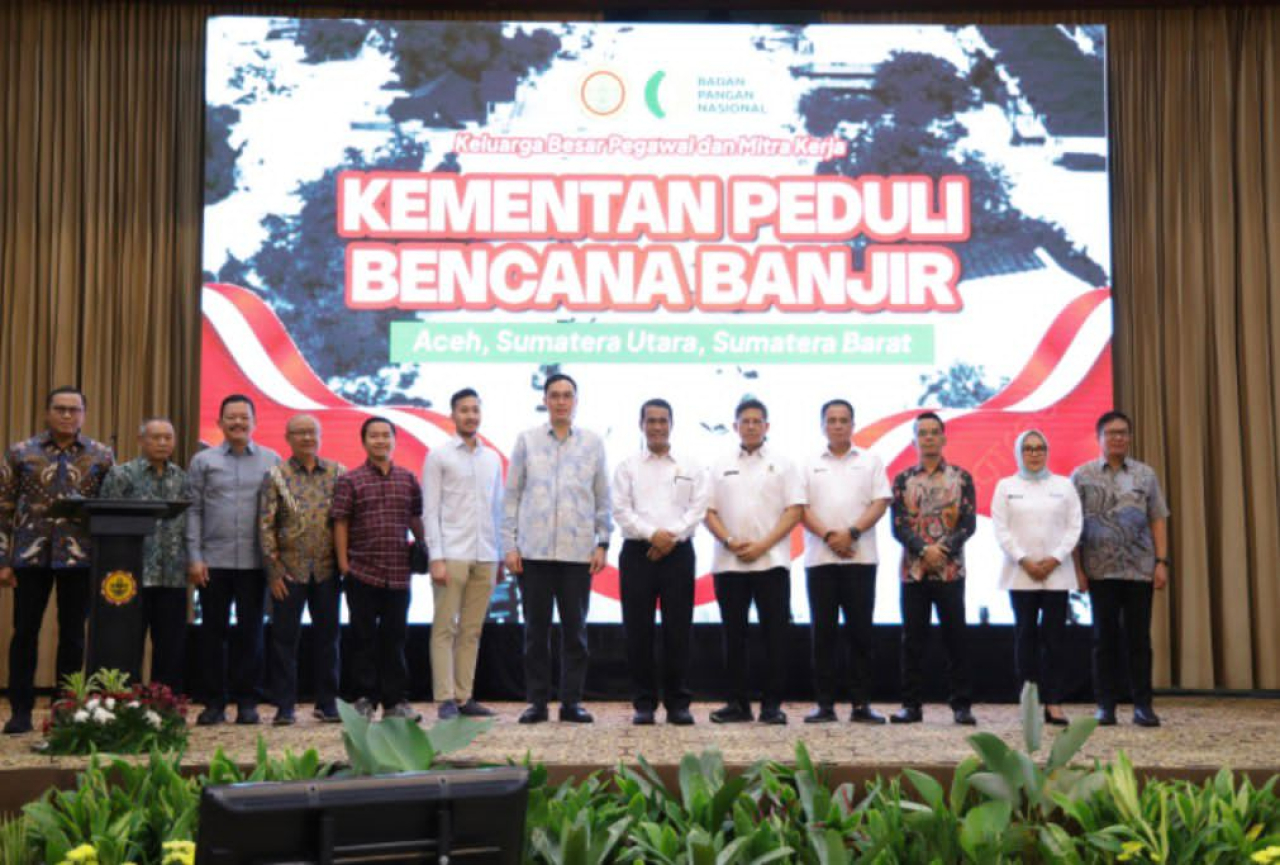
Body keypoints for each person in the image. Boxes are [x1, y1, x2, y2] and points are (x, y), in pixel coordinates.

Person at [0, 386, 114, 735]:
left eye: (74, 410)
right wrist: (3, 559)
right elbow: (3, 507)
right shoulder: (21, 452)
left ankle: (66, 709)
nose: (67, 415)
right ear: (47, 413)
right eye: (60, 409)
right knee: (25, 633)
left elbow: (110, 510)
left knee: (73, 636)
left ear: (84, 414)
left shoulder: (102, 455)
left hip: (80, 559)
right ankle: (20, 710)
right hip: (29, 556)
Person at [502, 373, 611, 725]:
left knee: (575, 634)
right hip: (533, 553)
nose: (561, 401)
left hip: (577, 553)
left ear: (575, 401)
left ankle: (571, 703)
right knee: (535, 633)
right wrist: (510, 544)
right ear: (545, 401)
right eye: (555, 395)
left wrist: (603, 542)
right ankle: (536, 703)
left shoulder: (593, 443)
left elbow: (602, 497)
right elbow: (512, 495)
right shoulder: (527, 441)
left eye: (567, 396)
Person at [704, 398, 804, 725]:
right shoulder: (718, 464)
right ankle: (737, 704)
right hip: (729, 564)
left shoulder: (784, 464)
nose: (750, 426)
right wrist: (730, 541)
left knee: (775, 637)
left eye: (757, 421)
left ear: (767, 426)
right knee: (734, 637)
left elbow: (795, 510)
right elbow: (708, 511)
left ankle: (772, 705)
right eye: (744, 421)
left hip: (772, 562)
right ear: (735, 426)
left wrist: (762, 545)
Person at [613, 398, 708, 726]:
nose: (656, 427)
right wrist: (653, 535)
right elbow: (621, 510)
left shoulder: (690, 466)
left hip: (678, 553)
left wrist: (670, 538)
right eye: (650, 421)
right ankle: (644, 704)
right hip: (638, 553)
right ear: (641, 425)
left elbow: (698, 508)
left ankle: (678, 704)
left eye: (662, 421)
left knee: (678, 630)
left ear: (671, 424)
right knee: (637, 631)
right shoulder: (627, 466)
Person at [186, 394, 280, 726]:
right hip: (214, 561)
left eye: (244, 417)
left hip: (256, 564)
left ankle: (248, 702)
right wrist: (194, 557)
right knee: (213, 633)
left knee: (252, 633)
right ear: (220, 422)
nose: (238, 422)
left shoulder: (272, 460)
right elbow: (193, 511)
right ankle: (213, 702)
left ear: (254, 422)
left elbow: (279, 515)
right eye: (231, 417)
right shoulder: (203, 461)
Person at [1072, 410, 1170, 728]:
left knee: (1139, 639)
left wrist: (1161, 562)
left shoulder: (1145, 475)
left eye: (1123, 433)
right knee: (1104, 639)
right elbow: (1072, 527)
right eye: (1111, 433)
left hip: (1139, 569)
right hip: (1099, 571)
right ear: (1099, 438)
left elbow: (1157, 517)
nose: (1118, 438)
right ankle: (1106, 705)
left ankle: (1143, 705)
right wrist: (1078, 570)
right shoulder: (1082, 476)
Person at [800, 399, 891, 725]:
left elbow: (881, 502)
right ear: (823, 425)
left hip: (861, 559)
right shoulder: (808, 463)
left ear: (853, 425)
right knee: (822, 634)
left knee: (860, 634)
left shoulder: (870, 461)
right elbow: (801, 508)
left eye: (843, 420)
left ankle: (861, 705)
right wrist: (829, 537)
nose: (837, 425)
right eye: (832, 420)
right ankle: (824, 705)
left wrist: (851, 533)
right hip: (821, 560)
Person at [332, 416, 426, 721]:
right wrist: (344, 564)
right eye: (374, 436)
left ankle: (395, 702)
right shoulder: (350, 480)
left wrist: (424, 546)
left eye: (386, 435)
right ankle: (363, 698)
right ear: (364, 442)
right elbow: (340, 522)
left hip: (398, 574)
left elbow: (415, 518)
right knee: (362, 640)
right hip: (362, 571)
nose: (381, 441)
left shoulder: (407, 478)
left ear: (394, 440)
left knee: (395, 639)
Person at [889, 411, 978, 725]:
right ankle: (911, 706)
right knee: (912, 641)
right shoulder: (902, 480)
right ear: (914, 439)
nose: (928, 437)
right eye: (922, 433)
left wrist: (942, 550)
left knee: (956, 639)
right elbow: (898, 527)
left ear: (943, 438)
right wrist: (923, 549)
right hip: (913, 573)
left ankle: (961, 706)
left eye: (933, 432)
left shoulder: (961, 477)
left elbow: (968, 524)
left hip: (951, 571)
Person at [990, 430, 1082, 726]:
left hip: (1056, 573)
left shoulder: (1064, 485)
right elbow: (1001, 530)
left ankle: (1054, 702)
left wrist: (1055, 558)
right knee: (1025, 640)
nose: (1034, 453)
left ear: (1047, 451)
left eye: (1040, 448)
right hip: (1021, 573)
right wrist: (1025, 560)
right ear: (1019, 452)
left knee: (1055, 640)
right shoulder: (1006, 486)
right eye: (1028, 449)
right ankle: (1028, 704)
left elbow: (1074, 526)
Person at [258, 414, 345, 725]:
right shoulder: (275, 475)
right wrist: (274, 571)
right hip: (289, 572)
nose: (307, 438)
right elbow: (266, 525)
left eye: (312, 432)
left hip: (327, 570)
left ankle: (328, 703)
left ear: (320, 436)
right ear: (288, 437)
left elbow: (345, 522)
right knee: (283, 641)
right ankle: (284, 706)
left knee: (328, 639)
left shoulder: (337, 472)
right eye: (300, 433)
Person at [423, 389, 503, 720]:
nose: (470, 415)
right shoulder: (438, 456)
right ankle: (444, 697)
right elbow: (430, 511)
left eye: (475, 410)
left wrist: (498, 555)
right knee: (445, 628)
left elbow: (496, 510)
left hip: (486, 554)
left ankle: (464, 696)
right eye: (464, 410)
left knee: (472, 629)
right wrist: (436, 557)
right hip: (451, 553)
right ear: (453, 415)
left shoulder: (492, 458)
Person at [100, 418, 190, 693]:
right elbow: (106, 523)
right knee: (126, 643)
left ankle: (165, 703)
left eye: (167, 438)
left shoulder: (182, 478)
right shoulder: (122, 475)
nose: (162, 443)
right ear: (141, 441)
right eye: (155, 437)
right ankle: (125, 701)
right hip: (131, 576)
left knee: (170, 645)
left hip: (172, 576)